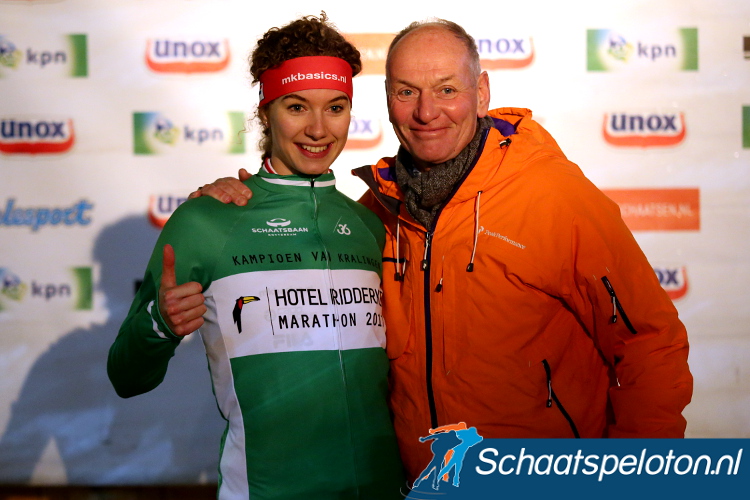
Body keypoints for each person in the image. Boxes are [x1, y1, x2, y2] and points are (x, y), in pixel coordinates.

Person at [193, 19, 693, 482]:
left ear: (481, 94)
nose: (426, 112)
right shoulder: (378, 212)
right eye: (406, 92)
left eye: (447, 91)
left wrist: (634, 477)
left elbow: (649, 342)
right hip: (423, 484)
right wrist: (242, 204)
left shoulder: (556, 197)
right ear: (388, 101)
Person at [108, 14, 405, 499]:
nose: (317, 128)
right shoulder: (208, 221)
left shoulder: (374, 224)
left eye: (336, 107)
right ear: (266, 111)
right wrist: (159, 324)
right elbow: (125, 376)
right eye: (296, 107)